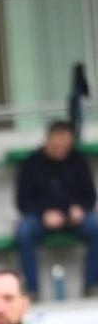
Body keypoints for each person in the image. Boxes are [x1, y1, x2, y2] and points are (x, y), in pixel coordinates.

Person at [15, 120, 98, 300]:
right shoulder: (31, 163)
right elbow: (22, 201)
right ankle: (31, 291)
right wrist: (43, 214)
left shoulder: (78, 160)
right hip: (41, 218)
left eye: (65, 145)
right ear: (48, 140)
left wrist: (80, 209)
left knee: (96, 226)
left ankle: (92, 285)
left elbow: (90, 195)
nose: (61, 149)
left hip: (73, 218)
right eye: (57, 145)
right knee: (23, 231)